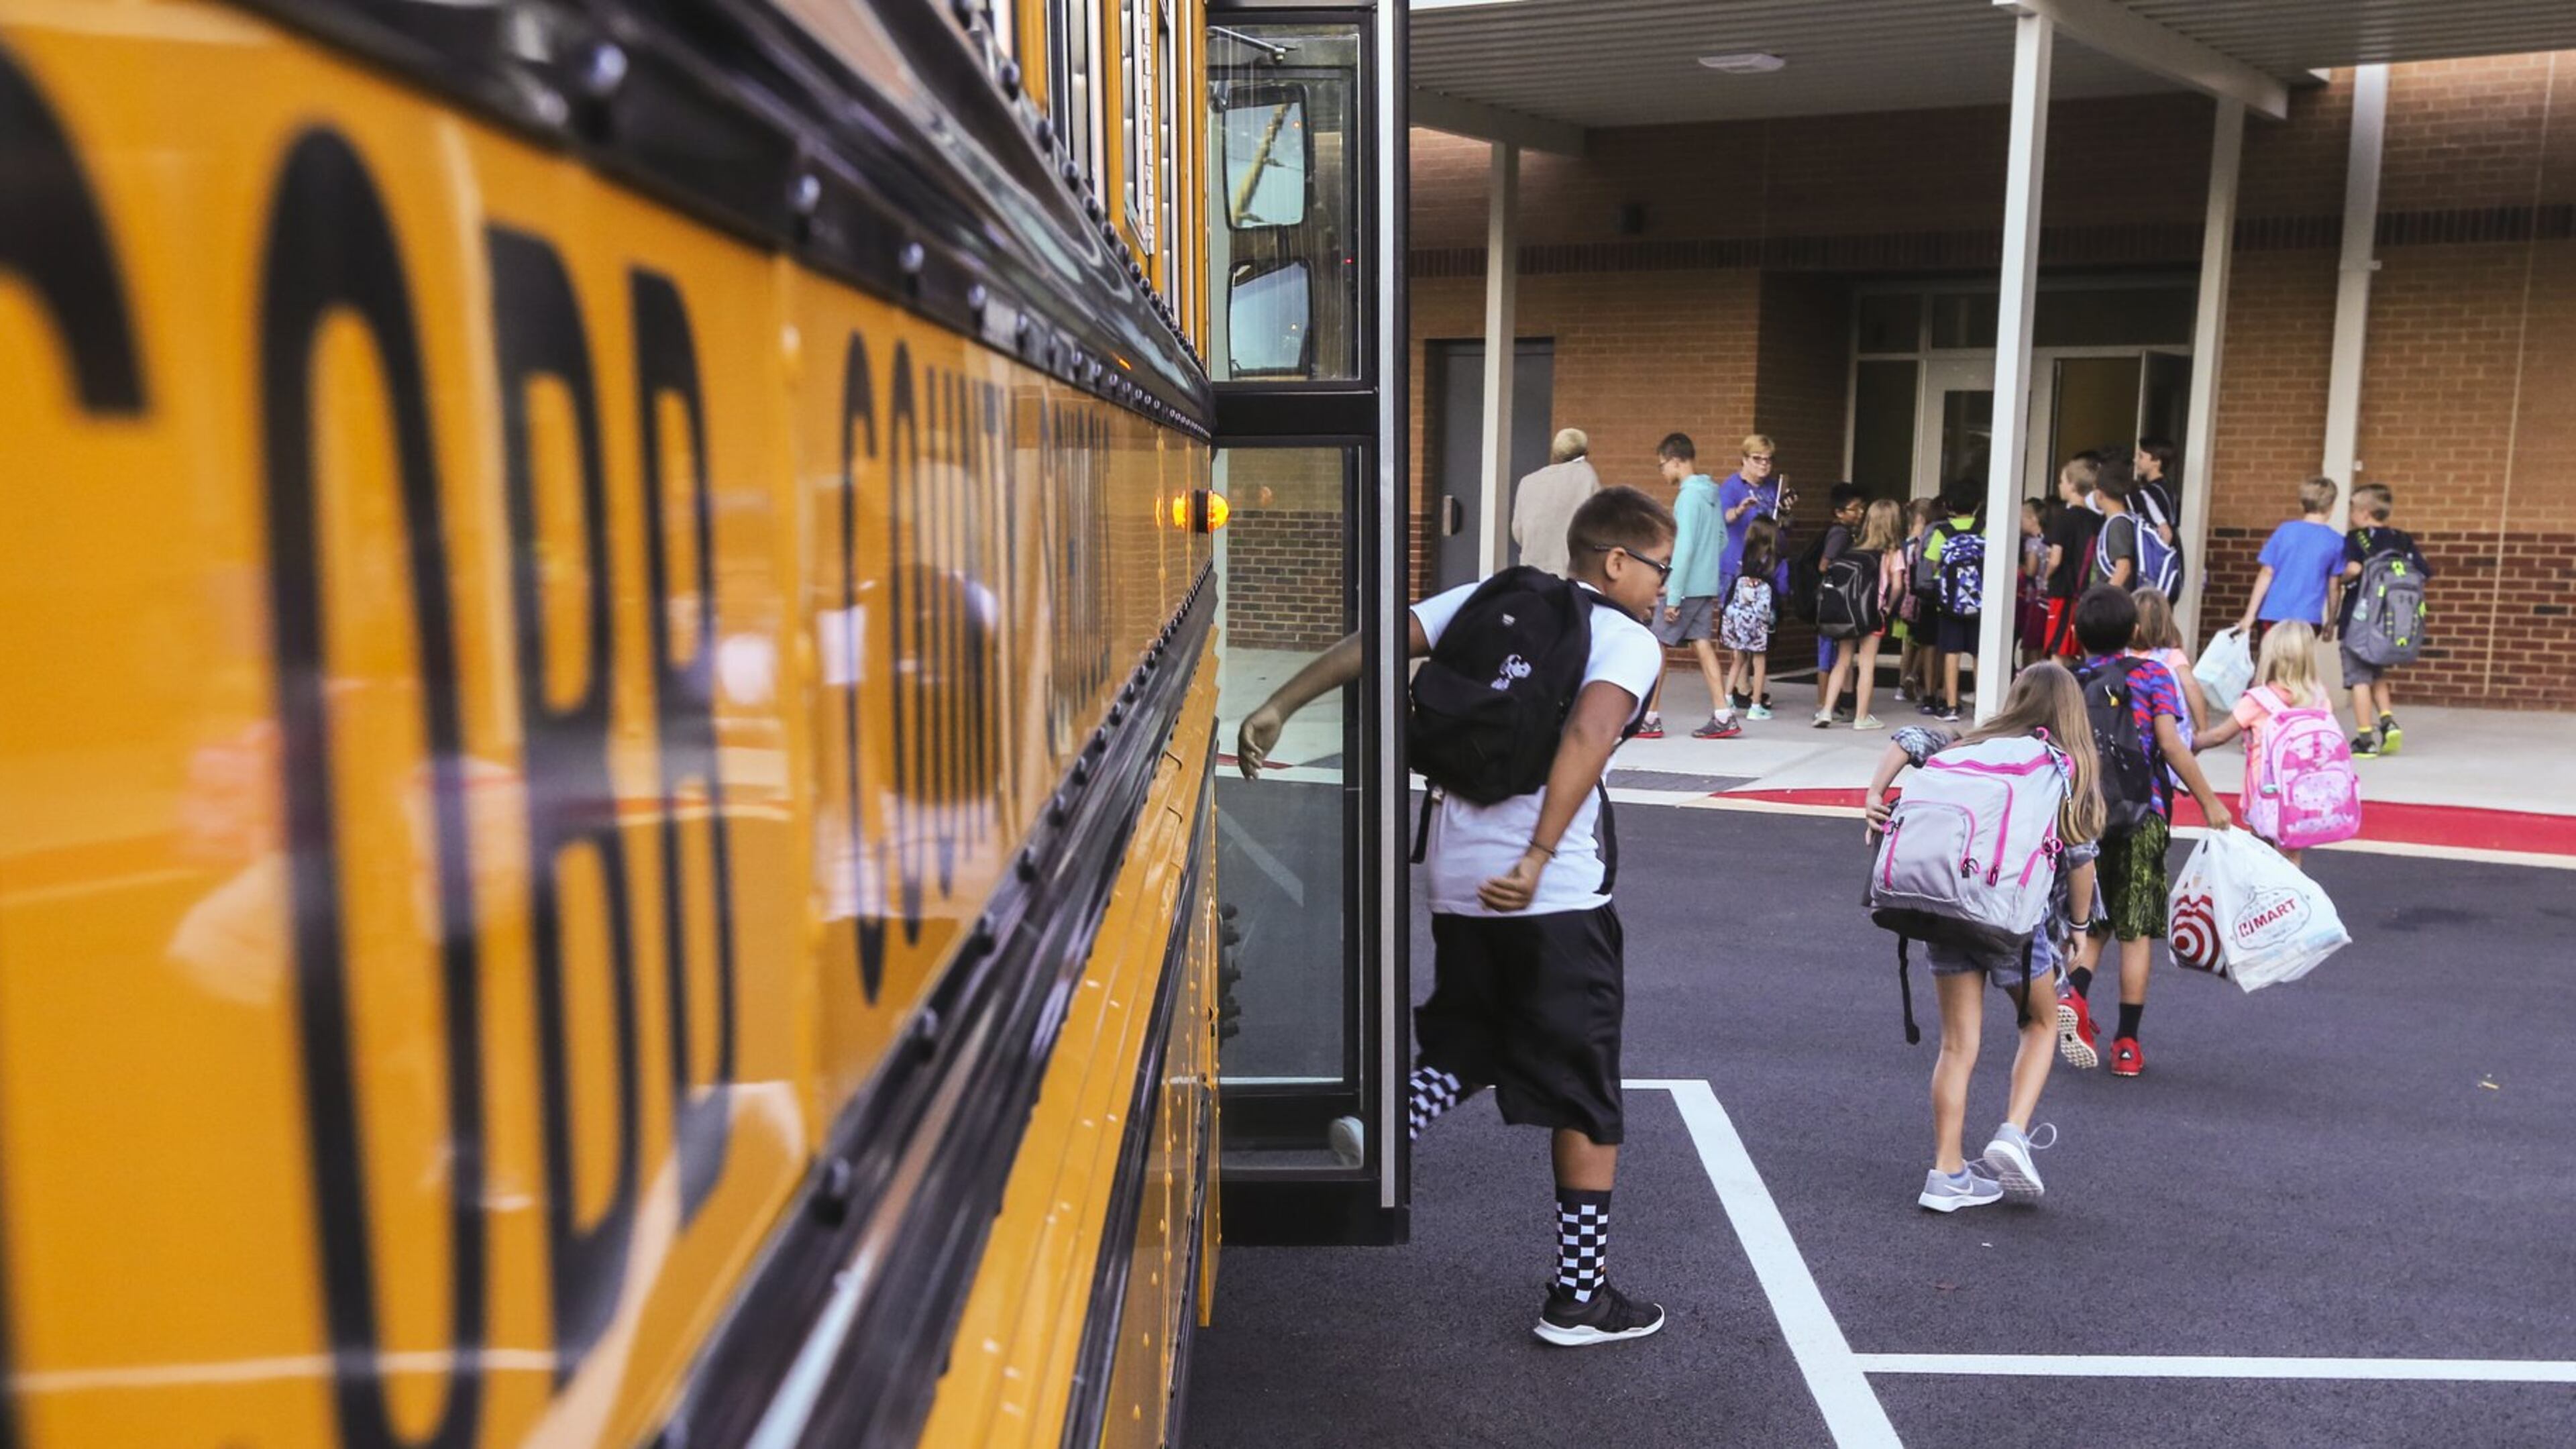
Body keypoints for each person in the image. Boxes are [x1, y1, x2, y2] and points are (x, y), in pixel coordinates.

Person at [1235, 485, 1675, 1347]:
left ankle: (1380, 1126)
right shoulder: (1624, 640)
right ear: (1617, 560)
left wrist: (1279, 703)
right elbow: (1588, 737)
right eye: (1661, 567)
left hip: (1454, 874)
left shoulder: (1486, 601)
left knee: (1474, 1040)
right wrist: (1541, 853)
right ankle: (1579, 1298)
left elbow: (1374, 641)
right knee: (1587, 1095)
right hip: (1547, 893)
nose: (1667, 584)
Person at [1866, 663, 2104, 1211]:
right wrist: (2080, 929)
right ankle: (2013, 1135)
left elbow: (1905, 739)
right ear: (2069, 710)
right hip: (2011, 920)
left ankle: (1946, 1173)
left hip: (1941, 904)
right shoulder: (2062, 767)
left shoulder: (1970, 742)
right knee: (2041, 1022)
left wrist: (1876, 794)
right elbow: (2080, 859)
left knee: (1957, 1045)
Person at [2061, 586, 2235, 1079]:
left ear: (2077, 632)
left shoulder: (2069, 681)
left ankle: (2074, 992)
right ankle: (2127, 1045)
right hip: (2144, 814)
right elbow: (2172, 746)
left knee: (2093, 919)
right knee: (2135, 930)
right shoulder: (2153, 675)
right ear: (2135, 632)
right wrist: (2209, 801)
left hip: (2086, 815)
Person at [2193, 621, 2334, 870]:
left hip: (2265, 791)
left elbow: (2220, 736)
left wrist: (2189, 743)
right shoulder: (2319, 697)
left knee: (2261, 851)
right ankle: (2292, 899)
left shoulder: (2258, 700)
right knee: (2291, 854)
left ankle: (2266, 900)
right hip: (2301, 790)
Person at [1644, 433, 1737, 740]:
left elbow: (1683, 549)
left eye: (1662, 466)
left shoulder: (1687, 497)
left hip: (1684, 586)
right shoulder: (1712, 493)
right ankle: (1723, 713)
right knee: (1702, 644)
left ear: (1675, 460)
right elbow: (1722, 539)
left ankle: (1650, 717)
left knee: (1659, 645)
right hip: (1706, 583)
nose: (1663, 472)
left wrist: (1673, 593)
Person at [2338, 482, 2429, 758]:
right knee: (2376, 673)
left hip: (2359, 618)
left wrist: (2340, 578)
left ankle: (2365, 737)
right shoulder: (2402, 539)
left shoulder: (2355, 539)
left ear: (2365, 512)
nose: (2351, 512)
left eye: (2353, 507)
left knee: (2358, 678)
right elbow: (2423, 571)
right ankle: (2388, 721)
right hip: (2387, 622)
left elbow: (2352, 569)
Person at [1718, 435, 1792, 712]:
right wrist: (1739, 510)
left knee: (1759, 629)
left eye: (1768, 459)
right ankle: (1743, 688)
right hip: (1738, 567)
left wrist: (1785, 513)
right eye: (1757, 459)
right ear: (1744, 460)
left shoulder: (1772, 487)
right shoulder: (1732, 487)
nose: (1764, 465)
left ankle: (1743, 689)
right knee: (1741, 631)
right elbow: (1725, 518)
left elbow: (1779, 525)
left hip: (1766, 568)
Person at [1817, 494, 1900, 731]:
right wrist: (1888, 607)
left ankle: (1826, 710)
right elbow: (1898, 586)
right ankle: (1862, 716)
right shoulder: (1892, 553)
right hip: (1873, 616)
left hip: (1849, 614)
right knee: (1866, 665)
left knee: (1842, 662)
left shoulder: (1854, 549)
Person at [2235, 476, 2346, 650]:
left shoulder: (2285, 531)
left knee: (2269, 667)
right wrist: (2331, 622)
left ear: (2302, 504)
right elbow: (2334, 587)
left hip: (2273, 613)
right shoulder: (2337, 541)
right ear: (2331, 506)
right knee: (2297, 671)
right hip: (2308, 618)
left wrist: (2250, 615)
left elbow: (2267, 573)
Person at [1923, 486, 1981, 724]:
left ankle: (1951, 705)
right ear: (1977, 505)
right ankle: (1982, 703)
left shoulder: (1942, 532)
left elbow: (1931, 564)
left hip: (1950, 604)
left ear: (1948, 507)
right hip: (1980, 602)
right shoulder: (1984, 529)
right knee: (1980, 654)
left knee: (1951, 653)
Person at [1511, 428, 1603, 579]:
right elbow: (1600, 527)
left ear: (1555, 452)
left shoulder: (1528, 481)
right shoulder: (1587, 477)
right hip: (1571, 573)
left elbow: (1518, 532)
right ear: (1585, 452)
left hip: (1532, 572)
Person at [2127, 586, 2208, 747]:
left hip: (2130, 733)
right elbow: (2190, 686)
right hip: (2169, 736)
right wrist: (2202, 728)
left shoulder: (2123, 654)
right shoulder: (2171, 656)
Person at [1719, 517, 1780, 722]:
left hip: (1739, 616)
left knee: (1739, 658)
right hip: (1759, 619)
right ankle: (1755, 705)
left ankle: (1727, 698)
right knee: (1760, 661)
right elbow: (1777, 586)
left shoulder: (1745, 555)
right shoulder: (1770, 558)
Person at [2041, 457, 2102, 657]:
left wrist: (2046, 576)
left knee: (2059, 649)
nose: (2059, 485)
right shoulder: (2097, 520)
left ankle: (2058, 688)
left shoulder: (2063, 518)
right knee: (2086, 646)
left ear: (2073, 486)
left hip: (2063, 590)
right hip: (2087, 590)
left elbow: (2055, 559)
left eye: (2062, 481)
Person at [1894, 498, 1940, 704]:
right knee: (1926, 642)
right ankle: (1914, 675)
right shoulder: (1928, 541)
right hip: (1922, 599)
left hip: (1906, 600)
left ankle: (1901, 685)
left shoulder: (1906, 545)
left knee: (1909, 645)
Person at [2088, 456, 2141, 591]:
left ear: (2100, 494)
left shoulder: (2118, 524)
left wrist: (2105, 600)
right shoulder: (2125, 520)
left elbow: (2123, 569)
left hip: (2113, 606)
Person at [2017, 498, 2050, 666]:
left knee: (2031, 644)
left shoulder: (2032, 543)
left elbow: (2031, 570)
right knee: (2043, 643)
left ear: (2033, 519)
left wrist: (2017, 568)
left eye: (2022, 518)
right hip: (2049, 598)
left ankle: (2028, 674)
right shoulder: (2049, 540)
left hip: (2035, 599)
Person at [2134, 436, 2181, 547]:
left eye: (2141, 456)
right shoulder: (2168, 488)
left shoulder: (2151, 492)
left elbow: (2163, 531)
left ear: (2156, 462)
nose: (2135, 460)